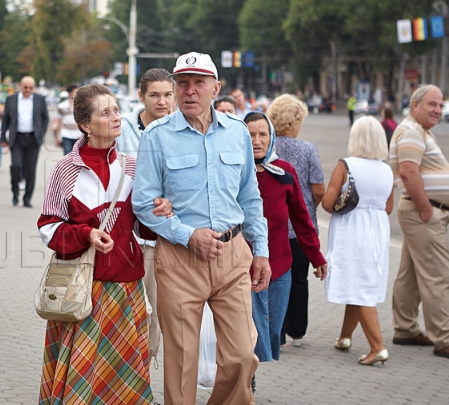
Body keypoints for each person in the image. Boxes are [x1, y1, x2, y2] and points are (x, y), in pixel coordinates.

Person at [133, 52, 271, 405]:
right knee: (182, 368)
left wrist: (261, 252)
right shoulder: (157, 136)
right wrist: (188, 235)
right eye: (182, 83)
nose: (189, 91)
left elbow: (251, 198)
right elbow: (144, 203)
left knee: (242, 357)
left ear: (216, 88)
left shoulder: (237, 133)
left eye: (198, 83)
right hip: (179, 261)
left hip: (233, 257)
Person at [36, 84, 172, 404]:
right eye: (105, 112)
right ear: (85, 124)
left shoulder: (133, 166)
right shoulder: (65, 170)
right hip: (83, 289)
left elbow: (145, 229)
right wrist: (86, 234)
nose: (116, 117)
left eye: (116, 109)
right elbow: (49, 227)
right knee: (83, 380)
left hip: (127, 286)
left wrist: (161, 212)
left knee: (125, 379)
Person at [244, 111, 327, 371]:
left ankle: (250, 373)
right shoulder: (234, 171)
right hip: (243, 268)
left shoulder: (285, 171)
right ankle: (246, 381)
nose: (257, 140)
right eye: (250, 135)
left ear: (271, 138)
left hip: (280, 266)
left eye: (263, 134)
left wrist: (316, 257)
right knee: (248, 331)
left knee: (271, 329)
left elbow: (302, 219)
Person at [389, 84, 449, 361]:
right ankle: (446, 339)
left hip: (421, 212)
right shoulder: (411, 131)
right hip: (424, 213)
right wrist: (426, 211)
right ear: (415, 105)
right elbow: (409, 173)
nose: (438, 110)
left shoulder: (417, 131)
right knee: (438, 276)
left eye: (441, 105)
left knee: (409, 275)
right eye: (432, 104)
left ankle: (406, 329)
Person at [322, 116, 394, 365]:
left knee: (360, 288)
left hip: (351, 228)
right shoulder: (386, 169)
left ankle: (378, 347)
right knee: (361, 280)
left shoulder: (346, 165)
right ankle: (345, 337)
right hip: (377, 229)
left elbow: (328, 203)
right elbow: (388, 207)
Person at [117, 68, 174, 362]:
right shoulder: (124, 128)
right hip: (130, 234)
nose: (162, 102)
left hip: (168, 234)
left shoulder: (182, 128)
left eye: (167, 95)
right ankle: (130, 369)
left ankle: (148, 366)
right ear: (141, 96)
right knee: (133, 307)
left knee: (163, 310)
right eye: (154, 95)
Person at [269, 94, 325, 348]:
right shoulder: (307, 149)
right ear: (295, 122)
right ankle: (297, 331)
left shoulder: (266, 146)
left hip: (275, 226)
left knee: (273, 279)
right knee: (299, 279)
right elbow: (319, 189)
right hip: (301, 227)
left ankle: (276, 332)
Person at [1, 76, 49, 208]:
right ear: (20, 86)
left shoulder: (40, 100)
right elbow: (5, 119)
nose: (28, 90)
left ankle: (27, 198)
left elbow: (45, 118)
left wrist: (41, 133)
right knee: (16, 166)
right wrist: (2, 137)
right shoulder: (11, 99)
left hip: (33, 139)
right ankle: (15, 191)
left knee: (30, 170)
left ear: (34, 88)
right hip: (17, 139)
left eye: (31, 88)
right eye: (25, 87)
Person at [52, 84, 79, 155]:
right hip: (66, 134)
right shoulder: (62, 106)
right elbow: (59, 121)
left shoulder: (81, 106)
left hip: (78, 135)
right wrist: (57, 137)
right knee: (67, 155)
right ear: (70, 93)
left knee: (77, 157)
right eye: (75, 92)